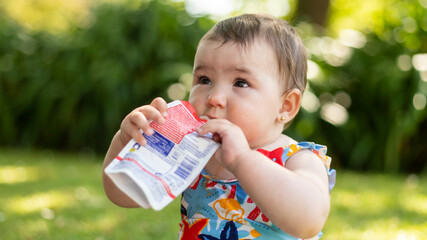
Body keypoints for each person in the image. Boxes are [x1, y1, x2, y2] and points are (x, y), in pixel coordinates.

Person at [102, 13, 335, 240]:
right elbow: (121, 194)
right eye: (204, 80)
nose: (214, 97)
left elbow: (309, 220)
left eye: (240, 83)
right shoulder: (195, 152)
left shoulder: (297, 159)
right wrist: (125, 140)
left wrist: (242, 160)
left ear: (285, 106)